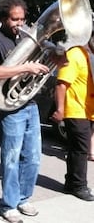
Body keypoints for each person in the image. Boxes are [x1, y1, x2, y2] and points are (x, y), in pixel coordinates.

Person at [0, 0, 50, 223]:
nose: (20, 24)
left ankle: (23, 198)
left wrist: (50, 61)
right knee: (11, 159)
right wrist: (25, 67)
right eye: (14, 19)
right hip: (9, 108)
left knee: (33, 158)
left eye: (22, 19)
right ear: (3, 18)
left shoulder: (24, 37)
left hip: (30, 105)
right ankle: (9, 204)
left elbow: (37, 65)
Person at [51, 30, 94, 201]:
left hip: (86, 111)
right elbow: (61, 85)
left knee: (75, 149)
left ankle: (70, 183)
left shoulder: (86, 55)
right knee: (80, 150)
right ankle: (79, 186)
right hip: (76, 111)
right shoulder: (75, 54)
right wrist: (60, 109)